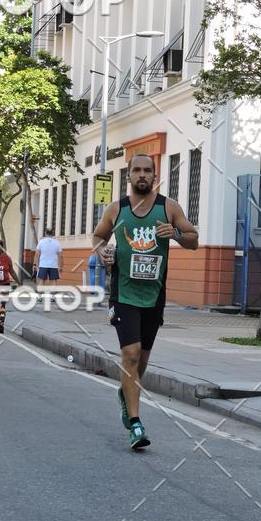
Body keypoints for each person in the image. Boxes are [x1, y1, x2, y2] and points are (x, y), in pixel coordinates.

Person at [93, 154, 198, 450]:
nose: (142, 174)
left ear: (155, 175)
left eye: (147, 170)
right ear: (129, 175)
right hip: (124, 294)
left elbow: (194, 239)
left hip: (154, 295)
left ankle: (125, 393)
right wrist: (102, 252)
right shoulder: (117, 209)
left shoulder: (169, 207)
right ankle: (136, 425)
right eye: (136, 170)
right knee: (131, 354)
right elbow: (99, 237)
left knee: (143, 360)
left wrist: (176, 234)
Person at [33, 227, 63, 300]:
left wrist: (34, 264)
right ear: (52, 234)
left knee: (41, 280)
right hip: (53, 265)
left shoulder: (41, 242)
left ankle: (40, 297)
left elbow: (37, 254)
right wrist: (60, 266)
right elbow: (60, 256)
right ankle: (52, 297)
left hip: (43, 265)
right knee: (53, 281)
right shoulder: (57, 243)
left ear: (45, 233)